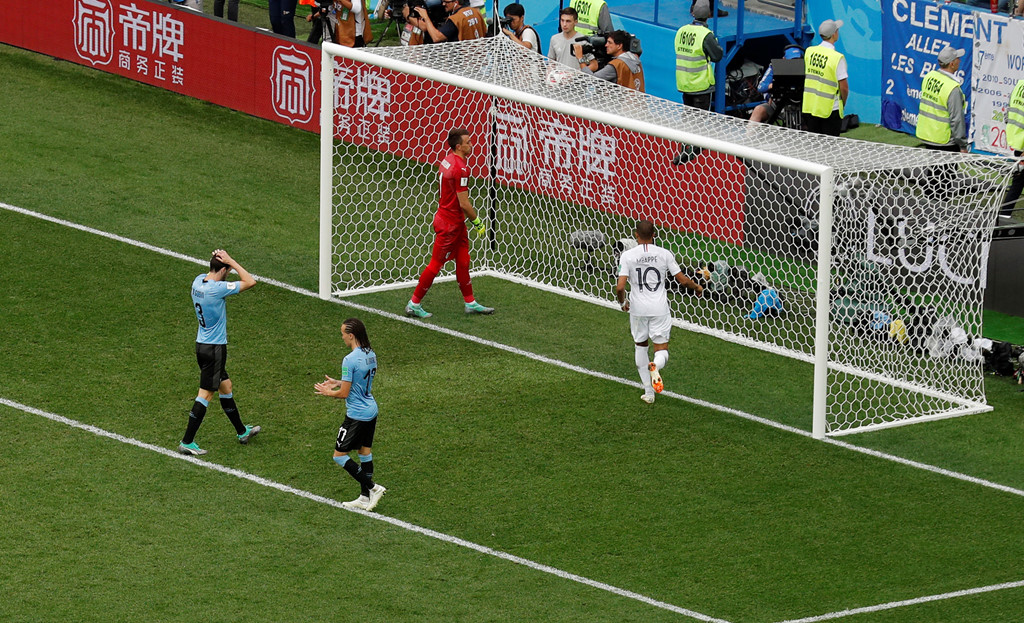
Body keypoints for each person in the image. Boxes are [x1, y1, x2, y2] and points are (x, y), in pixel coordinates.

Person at [178, 250, 260, 456]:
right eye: (227, 271)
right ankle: (187, 441)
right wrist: (232, 260)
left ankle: (242, 432)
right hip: (215, 349)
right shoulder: (217, 289)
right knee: (205, 395)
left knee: (226, 386)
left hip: (201, 345)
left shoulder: (198, 282)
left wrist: (221, 262)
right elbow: (250, 281)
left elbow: (212, 275)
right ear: (223, 269)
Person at [405, 129, 495, 318]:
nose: (471, 145)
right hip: (450, 225)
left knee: (463, 261)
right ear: (458, 146)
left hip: (454, 222)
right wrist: (478, 222)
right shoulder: (461, 168)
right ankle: (414, 303)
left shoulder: (447, 160)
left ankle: (470, 302)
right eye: (468, 142)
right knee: (436, 264)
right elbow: (464, 203)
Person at [616, 221, 703, 404]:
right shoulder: (664, 254)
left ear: (636, 235)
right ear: (654, 234)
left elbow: (620, 286)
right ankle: (656, 364)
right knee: (661, 349)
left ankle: (649, 393)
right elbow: (682, 280)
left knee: (640, 345)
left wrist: (623, 302)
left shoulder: (628, 256)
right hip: (659, 309)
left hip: (638, 309)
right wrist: (697, 287)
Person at [314, 318, 386, 511]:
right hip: (371, 409)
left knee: (339, 456)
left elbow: (345, 393)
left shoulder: (349, 359)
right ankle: (364, 498)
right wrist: (339, 381)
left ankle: (373, 488)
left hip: (357, 415)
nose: (343, 338)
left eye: (343, 334)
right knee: (364, 452)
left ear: (351, 335)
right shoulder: (371, 353)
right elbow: (358, 381)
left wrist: (329, 392)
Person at [671, 0, 723, 164]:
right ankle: (691, 155)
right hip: (701, 84)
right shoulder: (705, 35)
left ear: (692, 12)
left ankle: (683, 149)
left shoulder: (681, 31)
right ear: (709, 15)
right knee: (699, 122)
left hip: (684, 83)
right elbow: (717, 56)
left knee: (687, 118)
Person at [916, 45, 968, 154]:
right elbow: (956, 119)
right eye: (957, 58)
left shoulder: (929, 76)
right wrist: (962, 145)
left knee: (932, 170)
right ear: (952, 64)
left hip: (927, 135)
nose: (960, 60)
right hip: (945, 141)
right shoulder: (952, 88)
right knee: (946, 171)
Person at [802, 19, 848, 137]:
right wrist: (843, 103)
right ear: (834, 34)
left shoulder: (809, 52)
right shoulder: (837, 58)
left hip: (810, 107)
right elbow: (844, 88)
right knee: (830, 149)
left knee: (814, 147)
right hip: (830, 110)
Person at [748, 45, 804, 125]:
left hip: (800, 105)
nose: (793, 63)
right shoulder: (774, 67)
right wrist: (774, 85)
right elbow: (760, 87)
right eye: (791, 60)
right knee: (758, 110)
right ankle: (749, 136)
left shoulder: (806, 68)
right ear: (784, 59)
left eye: (797, 60)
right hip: (777, 105)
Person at [574, 30, 645, 92]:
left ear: (619, 46)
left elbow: (592, 79)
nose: (606, 45)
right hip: (636, 104)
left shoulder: (616, 65)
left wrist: (580, 58)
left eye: (610, 43)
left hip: (622, 105)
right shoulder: (635, 60)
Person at [1000, 78, 1024, 219]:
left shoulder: (1019, 84)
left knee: (1017, 183)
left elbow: (1008, 112)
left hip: (1017, 141)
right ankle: (1003, 216)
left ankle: (1003, 216)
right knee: (1017, 183)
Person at [415, 0, 486, 43]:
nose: (443, 4)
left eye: (446, 2)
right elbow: (485, 29)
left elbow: (436, 38)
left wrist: (426, 17)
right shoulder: (474, 12)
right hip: (478, 57)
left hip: (463, 60)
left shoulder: (455, 19)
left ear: (456, 2)